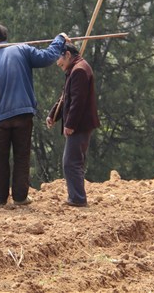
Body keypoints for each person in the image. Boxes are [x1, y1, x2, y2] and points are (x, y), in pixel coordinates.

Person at [0, 24, 68, 207]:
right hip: (23, 114)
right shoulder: (23, 49)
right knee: (22, 156)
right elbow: (48, 56)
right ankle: (20, 197)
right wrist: (59, 39)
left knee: (0, 157)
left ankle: (0, 199)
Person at [46, 42, 99, 207]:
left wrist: (70, 124)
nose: (57, 63)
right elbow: (65, 97)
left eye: (59, 58)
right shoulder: (74, 70)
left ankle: (77, 198)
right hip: (79, 124)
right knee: (74, 160)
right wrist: (53, 115)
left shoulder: (79, 71)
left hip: (80, 125)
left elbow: (77, 102)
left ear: (67, 54)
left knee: (71, 162)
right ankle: (76, 196)